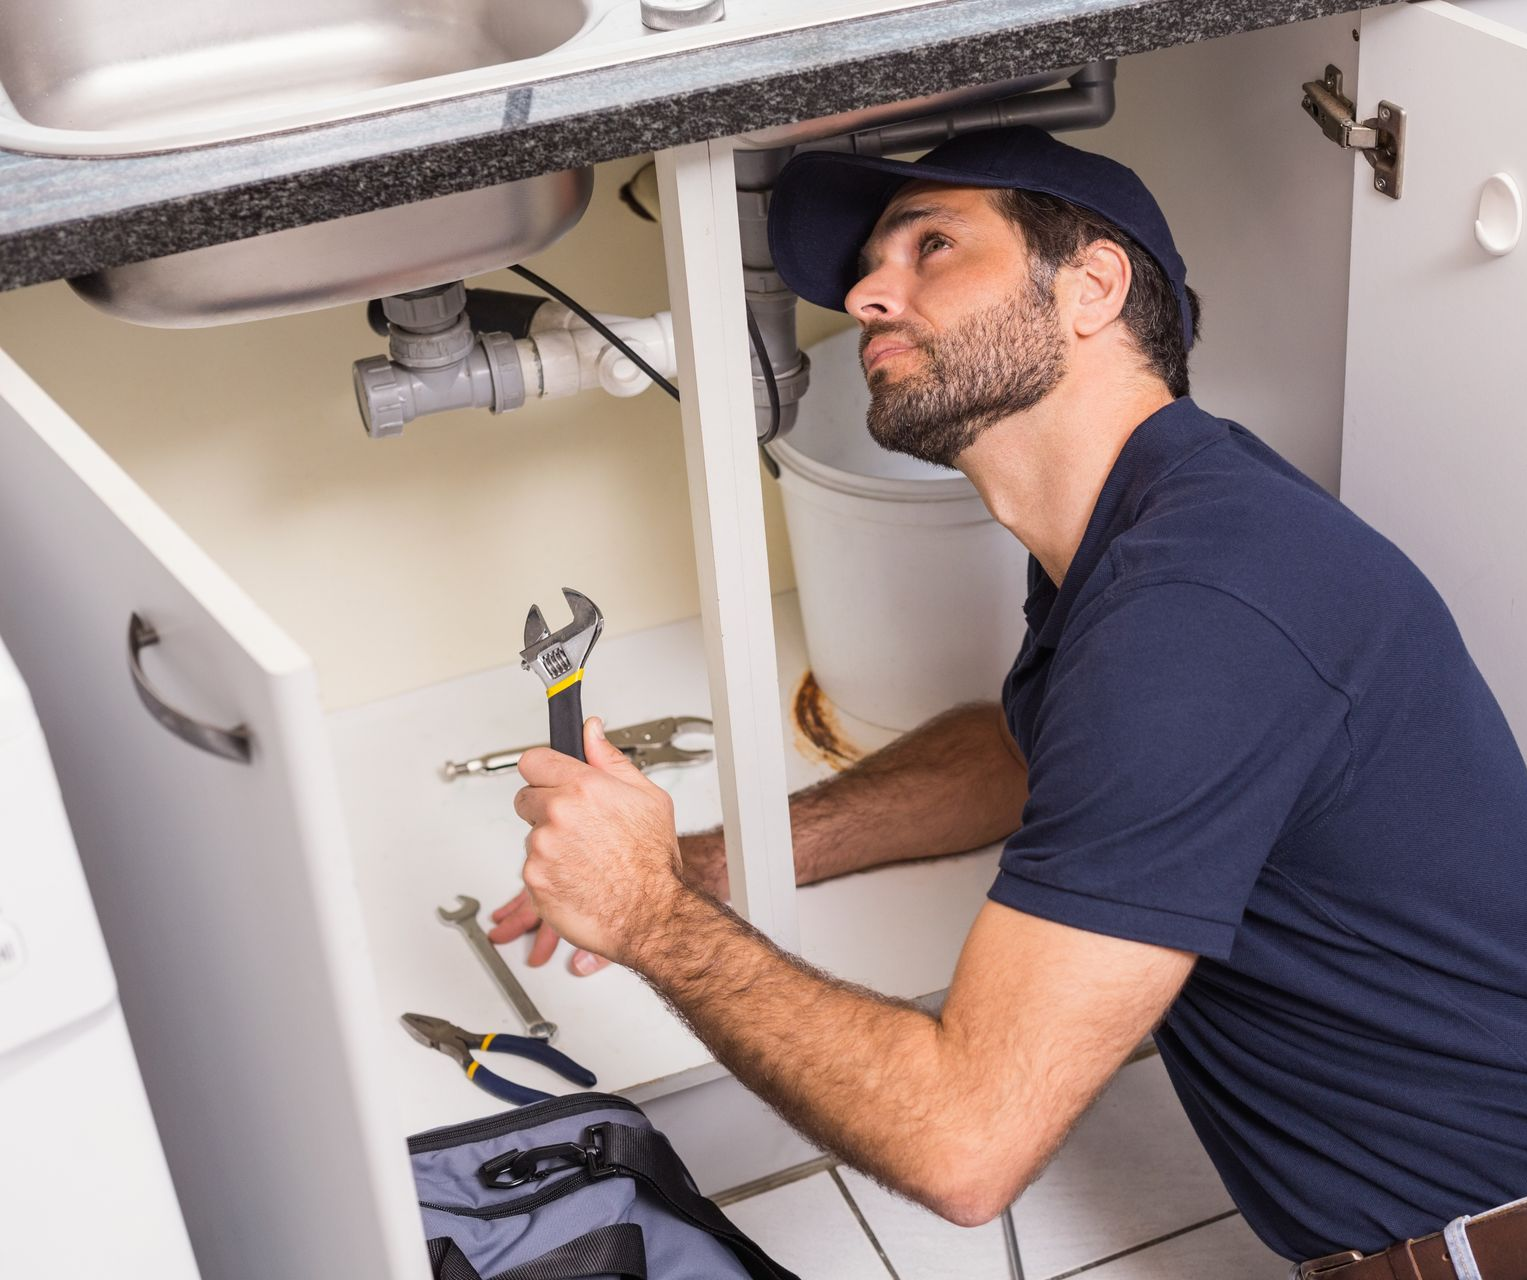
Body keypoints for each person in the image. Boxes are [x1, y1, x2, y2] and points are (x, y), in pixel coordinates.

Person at [489, 128, 1527, 1278]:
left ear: (1091, 287)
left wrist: (647, 912)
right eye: (873, 267)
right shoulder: (1160, 518)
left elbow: (964, 1142)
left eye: (933, 246)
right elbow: (1032, 757)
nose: (869, 294)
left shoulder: (1196, 611)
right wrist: (713, 860)